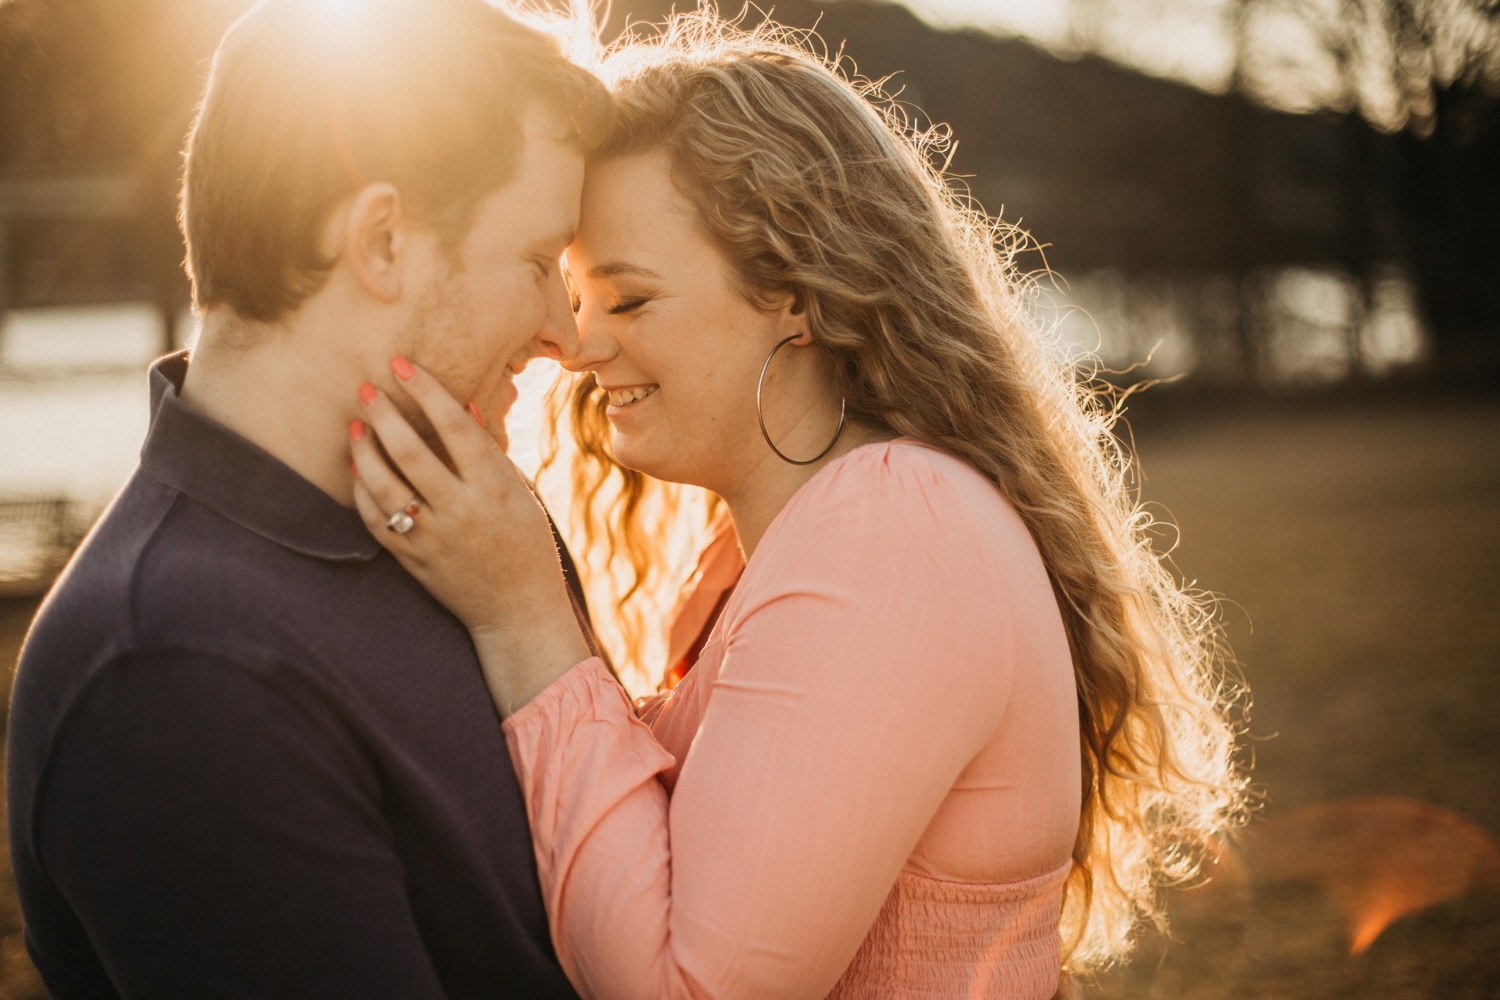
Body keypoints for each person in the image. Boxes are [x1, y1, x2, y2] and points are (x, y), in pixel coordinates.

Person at [350, 13, 1250, 999]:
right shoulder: (783, 544)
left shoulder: (890, 529)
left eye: (631, 299)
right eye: (571, 295)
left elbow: (691, 986)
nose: (577, 344)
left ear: (799, 292)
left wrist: (523, 615)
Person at [5, 1, 610, 996]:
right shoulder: (173, 666)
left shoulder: (479, 531)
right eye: (540, 264)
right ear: (380, 241)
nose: (565, 335)